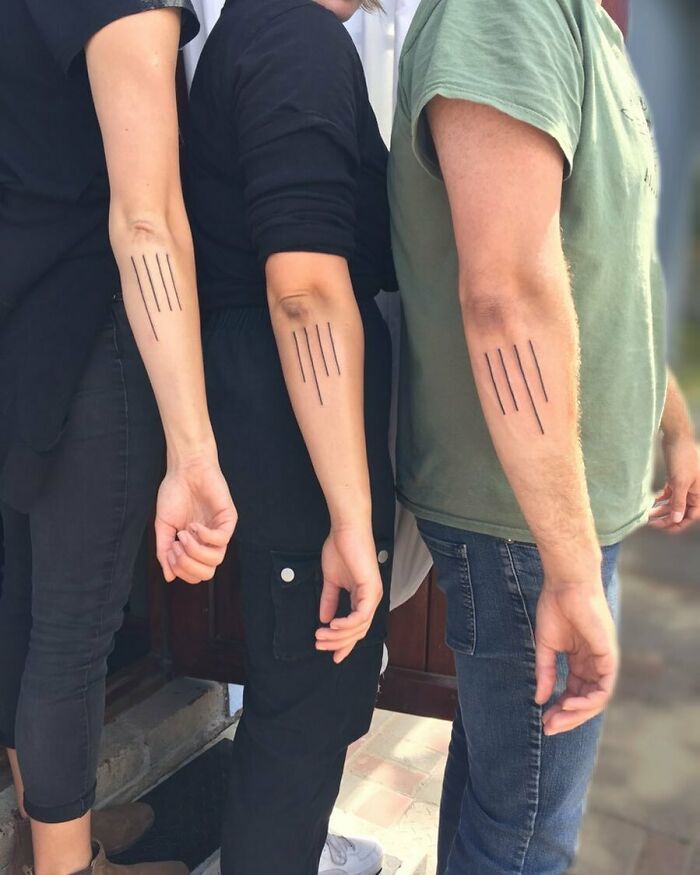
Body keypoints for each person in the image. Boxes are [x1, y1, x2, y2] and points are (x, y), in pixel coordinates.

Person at [388, 0, 700, 873]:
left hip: (546, 510)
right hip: (521, 517)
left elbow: (608, 265)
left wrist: (672, 422)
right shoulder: (505, 13)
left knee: (504, 791)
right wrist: (568, 568)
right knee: (528, 832)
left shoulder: (586, 22)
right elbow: (507, 296)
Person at [0, 3, 237, 875]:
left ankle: (53, 841)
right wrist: (194, 448)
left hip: (22, 313)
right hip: (91, 334)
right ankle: (69, 867)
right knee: (70, 631)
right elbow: (147, 219)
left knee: (25, 612)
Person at [183, 1, 395, 873]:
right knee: (303, 698)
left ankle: (286, 847)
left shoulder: (261, 29)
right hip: (292, 425)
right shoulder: (294, 39)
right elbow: (304, 289)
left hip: (278, 410)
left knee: (304, 687)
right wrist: (350, 516)